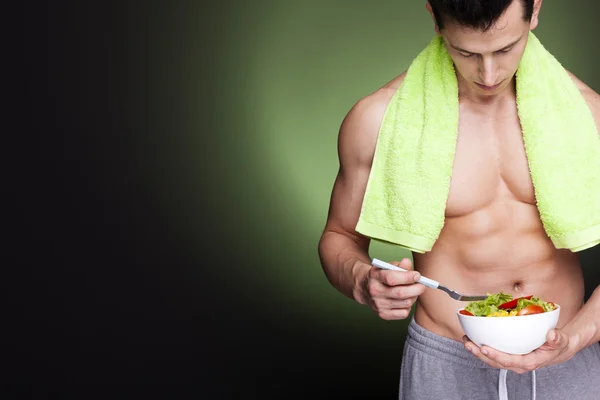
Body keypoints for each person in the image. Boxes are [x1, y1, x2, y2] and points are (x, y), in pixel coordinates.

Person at [317, 0, 600, 399]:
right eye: (466, 52)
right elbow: (338, 236)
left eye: (505, 49)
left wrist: (578, 336)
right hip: (447, 361)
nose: (489, 74)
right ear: (434, 17)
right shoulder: (377, 119)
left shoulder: (590, 115)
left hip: (568, 352)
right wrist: (362, 282)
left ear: (535, 9)